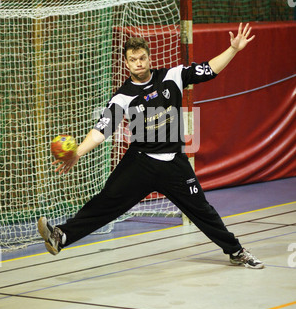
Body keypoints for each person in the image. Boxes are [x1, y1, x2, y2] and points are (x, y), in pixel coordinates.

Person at [38, 23, 264, 269]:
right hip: (140, 162)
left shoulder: (171, 77)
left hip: (174, 164)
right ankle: (61, 236)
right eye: (133, 59)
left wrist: (232, 49)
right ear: (126, 63)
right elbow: (102, 129)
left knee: (203, 211)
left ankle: (236, 251)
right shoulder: (123, 96)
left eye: (142, 58)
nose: (138, 63)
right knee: (106, 202)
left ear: (149, 58)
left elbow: (209, 70)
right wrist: (77, 152)